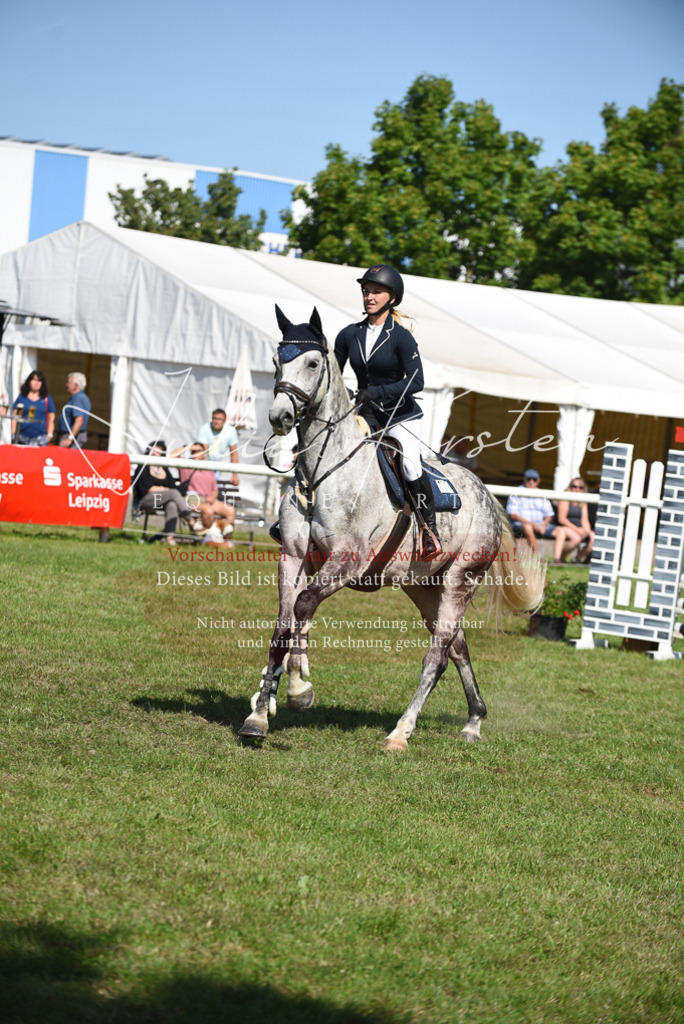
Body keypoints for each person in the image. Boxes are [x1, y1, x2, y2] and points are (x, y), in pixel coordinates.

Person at [334, 264, 441, 559]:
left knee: (410, 466)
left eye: (376, 292)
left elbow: (416, 381)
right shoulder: (349, 334)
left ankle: (429, 530)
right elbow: (332, 375)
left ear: (392, 298)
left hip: (400, 415)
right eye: (366, 291)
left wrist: (376, 393)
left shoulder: (401, 337)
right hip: (365, 415)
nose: (369, 297)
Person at [132, 440, 196, 545]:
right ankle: (190, 520)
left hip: (162, 500)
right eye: (152, 449)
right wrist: (165, 489)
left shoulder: (164, 468)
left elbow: (172, 486)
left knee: (172, 504)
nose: (154, 452)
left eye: (157, 451)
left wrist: (162, 489)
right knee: (173, 493)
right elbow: (147, 489)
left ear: (162, 453)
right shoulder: (143, 466)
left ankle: (169, 538)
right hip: (146, 500)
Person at [506, 468, 571, 560]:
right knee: (527, 527)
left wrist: (544, 524)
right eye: (529, 479)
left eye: (534, 479)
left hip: (540, 525)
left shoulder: (541, 493)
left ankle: (557, 560)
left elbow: (549, 514)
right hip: (520, 525)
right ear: (524, 479)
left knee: (561, 530)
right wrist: (532, 524)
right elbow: (513, 515)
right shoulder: (515, 492)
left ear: (539, 480)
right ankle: (538, 558)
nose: (531, 482)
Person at [178, 442, 236, 541]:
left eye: (198, 451)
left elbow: (214, 489)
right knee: (208, 511)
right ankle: (209, 538)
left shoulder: (209, 468)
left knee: (230, 510)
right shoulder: (186, 465)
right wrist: (188, 447)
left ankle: (226, 541)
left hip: (208, 500)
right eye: (193, 451)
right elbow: (172, 456)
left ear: (204, 453)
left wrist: (212, 497)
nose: (195, 453)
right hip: (193, 500)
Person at [555, 477, 595, 563]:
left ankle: (576, 559)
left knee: (594, 537)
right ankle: (561, 558)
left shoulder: (582, 501)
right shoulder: (565, 498)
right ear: (570, 487)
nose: (577, 489)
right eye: (574, 486)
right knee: (576, 539)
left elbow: (584, 519)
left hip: (578, 528)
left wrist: (588, 532)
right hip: (565, 527)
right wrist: (577, 530)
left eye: (581, 488)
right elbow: (562, 519)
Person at [196, 408, 240, 486]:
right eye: (214, 418)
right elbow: (202, 454)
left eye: (219, 419)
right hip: (201, 466)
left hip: (216, 468)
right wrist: (205, 475)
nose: (216, 421)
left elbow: (234, 454)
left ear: (224, 421)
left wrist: (234, 475)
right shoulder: (204, 429)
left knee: (215, 489)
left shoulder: (231, 431)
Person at [11, 370, 55, 445]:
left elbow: (51, 418)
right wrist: (13, 434)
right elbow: (14, 417)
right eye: (34, 380)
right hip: (22, 438)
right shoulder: (22, 397)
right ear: (29, 381)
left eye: (39, 381)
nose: (36, 383)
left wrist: (49, 436)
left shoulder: (46, 398)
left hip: (41, 439)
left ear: (42, 383)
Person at [58, 372, 91, 448]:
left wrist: (69, 438)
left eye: (68, 382)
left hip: (73, 437)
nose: (66, 385)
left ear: (76, 385)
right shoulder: (81, 397)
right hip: (74, 435)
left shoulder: (78, 398)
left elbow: (79, 420)